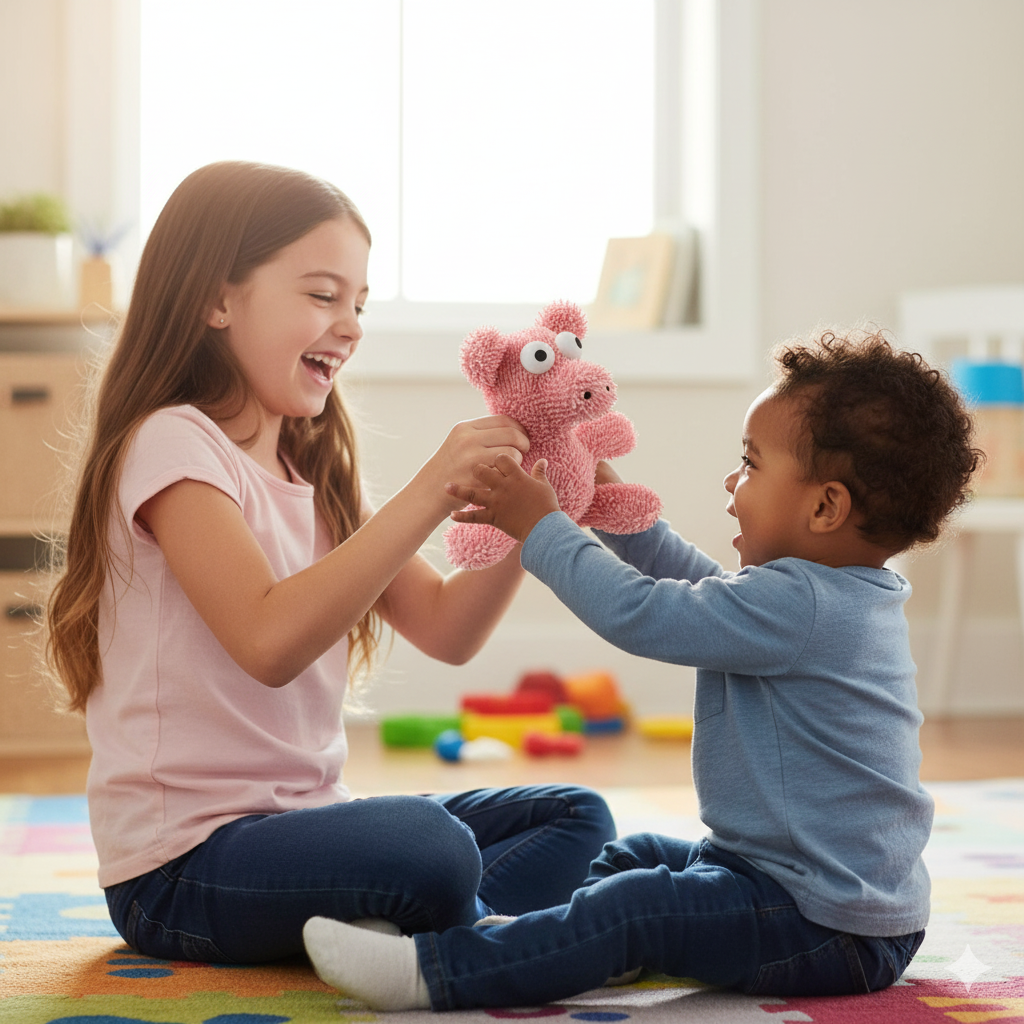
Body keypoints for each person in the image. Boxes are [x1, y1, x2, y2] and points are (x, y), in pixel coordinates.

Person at [301, 328, 982, 1010]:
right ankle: (547, 945)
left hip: (824, 924)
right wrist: (610, 510)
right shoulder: (825, 596)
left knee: (640, 903)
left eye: (750, 464)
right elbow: (699, 591)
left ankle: (433, 973)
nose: (731, 481)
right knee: (635, 860)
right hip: (789, 884)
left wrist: (542, 529)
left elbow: (643, 614)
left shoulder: (801, 604)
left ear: (825, 506)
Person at [44, 161, 614, 965]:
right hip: (182, 871)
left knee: (575, 816)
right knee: (429, 847)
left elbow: (448, 630)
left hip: (307, 829)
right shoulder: (172, 443)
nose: (348, 324)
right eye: (321, 295)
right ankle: (482, 942)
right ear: (216, 299)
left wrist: (538, 507)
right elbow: (267, 641)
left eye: (359, 303)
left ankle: (427, 931)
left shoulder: (312, 472)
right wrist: (432, 490)